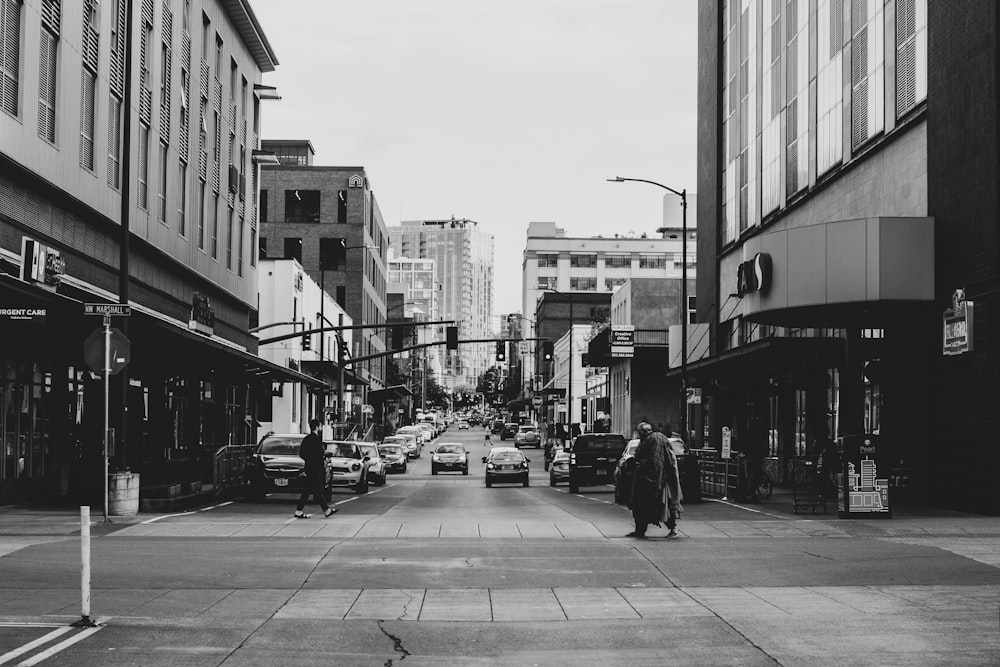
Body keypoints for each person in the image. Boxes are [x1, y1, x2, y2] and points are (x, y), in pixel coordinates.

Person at [627, 422, 670, 538]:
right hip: (643, 478)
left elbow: (655, 460)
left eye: (648, 430)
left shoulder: (654, 440)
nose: (647, 433)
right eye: (644, 431)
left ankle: (672, 527)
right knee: (639, 506)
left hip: (651, 478)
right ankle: (639, 530)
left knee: (656, 505)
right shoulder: (645, 441)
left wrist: (641, 464)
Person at [294, 418, 337, 519]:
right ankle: (326, 510)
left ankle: (300, 511)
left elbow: (302, 454)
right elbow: (319, 454)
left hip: (309, 468)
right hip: (315, 469)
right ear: (317, 427)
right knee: (315, 490)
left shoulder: (307, 439)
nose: (321, 428)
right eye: (320, 426)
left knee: (310, 490)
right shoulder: (316, 439)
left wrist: (309, 460)